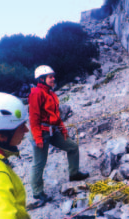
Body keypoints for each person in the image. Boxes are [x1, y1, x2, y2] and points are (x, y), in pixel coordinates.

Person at [29, 65, 89, 206]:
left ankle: (74, 174)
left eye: (53, 76)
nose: (53, 79)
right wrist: (38, 138)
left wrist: (63, 130)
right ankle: (37, 192)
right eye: (50, 77)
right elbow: (34, 118)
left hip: (53, 131)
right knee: (39, 163)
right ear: (42, 79)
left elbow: (56, 115)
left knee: (72, 147)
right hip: (41, 133)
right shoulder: (36, 94)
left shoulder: (51, 93)